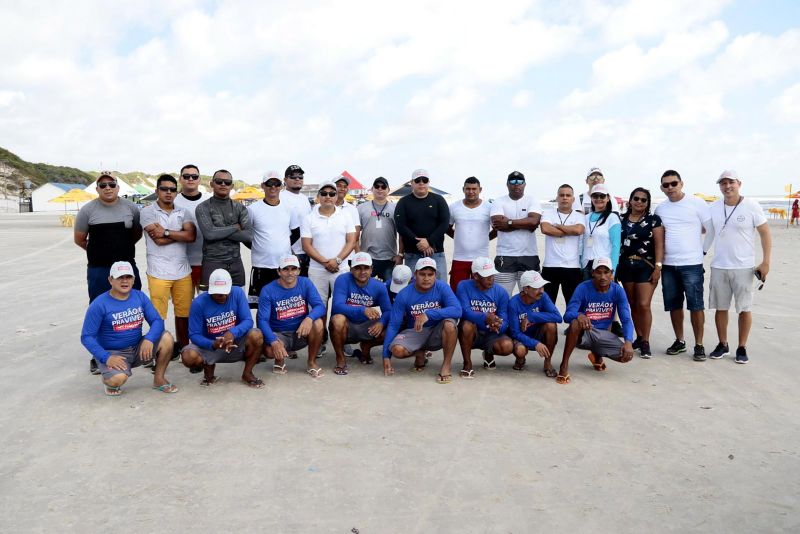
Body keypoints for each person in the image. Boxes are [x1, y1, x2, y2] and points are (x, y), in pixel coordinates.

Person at [74, 172, 143, 375]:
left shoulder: (131, 208)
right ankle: (98, 356)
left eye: (111, 184)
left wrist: (120, 251)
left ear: (118, 187)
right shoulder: (87, 211)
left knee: (133, 308)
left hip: (127, 269)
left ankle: (136, 350)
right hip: (99, 269)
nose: (107, 188)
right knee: (99, 309)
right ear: (97, 189)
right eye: (102, 185)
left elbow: (136, 234)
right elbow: (80, 239)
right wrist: (99, 252)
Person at [80, 261, 177, 396]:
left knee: (166, 338)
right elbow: (86, 337)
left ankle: (159, 379)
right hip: (114, 352)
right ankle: (108, 379)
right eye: (120, 277)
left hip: (138, 347)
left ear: (133, 280)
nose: (124, 281)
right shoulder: (99, 304)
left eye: (128, 277)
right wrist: (106, 357)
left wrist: (149, 339)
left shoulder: (139, 296)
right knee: (117, 380)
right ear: (110, 280)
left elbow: (157, 321)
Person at [705, 170, 772, 364]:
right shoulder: (714, 207)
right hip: (719, 265)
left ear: (739, 183)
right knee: (720, 307)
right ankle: (722, 343)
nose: (727, 186)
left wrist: (766, 261)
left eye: (731, 182)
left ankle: (742, 347)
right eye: (723, 183)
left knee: (744, 308)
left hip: (744, 266)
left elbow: (765, 233)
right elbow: (705, 230)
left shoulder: (751, 205)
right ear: (719, 186)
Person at [654, 170, 713, 360]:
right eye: (666, 185)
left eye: (673, 183)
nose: (670, 188)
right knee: (674, 305)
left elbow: (711, 230)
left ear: (681, 183)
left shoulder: (697, 203)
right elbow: (658, 236)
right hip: (669, 265)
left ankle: (699, 344)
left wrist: (702, 252)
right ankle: (679, 341)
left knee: (696, 305)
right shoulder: (660, 209)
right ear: (662, 188)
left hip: (692, 264)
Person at [139, 174, 197, 355]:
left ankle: (184, 347)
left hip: (182, 271)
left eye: (172, 189)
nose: (169, 193)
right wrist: (179, 233)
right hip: (158, 272)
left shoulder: (184, 212)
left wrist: (164, 231)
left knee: (184, 313)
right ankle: (161, 350)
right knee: (158, 316)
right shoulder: (148, 212)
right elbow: (158, 241)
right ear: (157, 191)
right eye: (164, 189)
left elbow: (191, 236)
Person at [180, 269, 265, 388]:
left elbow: (248, 321)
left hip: (235, 342)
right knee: (188, 356)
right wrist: (213, 344)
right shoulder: (198, 303)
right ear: (209, 290)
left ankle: (247, 373)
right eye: (217, 293)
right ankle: (208, 371)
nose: (222, 296)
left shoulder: (238, 293)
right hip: (210, 345)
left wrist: (232, 333)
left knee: (257, 335)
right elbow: (194, 334)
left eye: (225, 292)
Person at [383, 257, 462, 383]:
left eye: (430, 274)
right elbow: (393, 324)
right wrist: (386, 356)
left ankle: (446, 366)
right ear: (415, 275)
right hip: (415, 331)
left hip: (437, 331)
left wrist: (429, 314)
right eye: (422, 274)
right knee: (397, 350)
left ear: (435, 275)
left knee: (450, 324)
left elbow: (457, 310)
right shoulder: (404, 293)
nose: (426, 278)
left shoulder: (442, 287)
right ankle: (419, 353)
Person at [557, 258, 635, 384]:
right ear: (593, 273)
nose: (603, 277)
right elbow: (567, 315)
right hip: (585, 332)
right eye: (599, 272)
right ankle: (564, 364)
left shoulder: (618, 290)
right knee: (575, 323)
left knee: (625, 356)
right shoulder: (583, 288)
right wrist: (579, 315)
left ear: (612, 273)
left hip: (603, 334)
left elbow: (626, 319)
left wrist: (628, 342)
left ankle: (596, 355)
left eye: (606, 272)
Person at [301, 181, 357, 354]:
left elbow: (352, 240)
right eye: (324, 193)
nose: (328, 197)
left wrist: (338, 260)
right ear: (318, 196)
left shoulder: (345, 216)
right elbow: (306, 245)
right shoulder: (309, 217)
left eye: (331, 194)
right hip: (318, 270)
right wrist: (326, 262)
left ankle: (343, 340)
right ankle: (320, 340)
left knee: (342, 307)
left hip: (341, 269)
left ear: (336, 196)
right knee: (319, 307)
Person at [257, 255, 326, 377]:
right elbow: (262, 320)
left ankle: (311, 362)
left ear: (299, 271)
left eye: (293, 269)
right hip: (279, 333)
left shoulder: (305, 283)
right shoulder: (267, 290)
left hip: (300, 331)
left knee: (318, 323)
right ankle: (279, 360)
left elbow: (320, 306)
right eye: (285, 269)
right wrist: (273, 341)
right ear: (279, 271)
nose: (290, 273)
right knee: (269, 351)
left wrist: (309, 318)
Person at [617, 188, 663, 358]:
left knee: (644, 304)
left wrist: (658, 267)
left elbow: (659, 244)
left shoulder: (653, 220)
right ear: (630, 200)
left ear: (648, 203)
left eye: (644, 200)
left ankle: (645, 341)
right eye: (636, 198)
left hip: (646, 265)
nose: (639, 202)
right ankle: (639, 336)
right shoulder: (620, 219)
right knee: (633, 304)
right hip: (625, 266)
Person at [330, 252, 392, 372]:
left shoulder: (379, 286)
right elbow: (337, 306)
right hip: (347, 325)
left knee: (392, 325)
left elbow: (388, 311)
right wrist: (363, 309)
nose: (362, 271)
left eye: (366, 268)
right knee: (337, 319)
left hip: (367, 326)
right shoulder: (342, 279)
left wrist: (381, 323)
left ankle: (366, 347)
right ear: (351, 269)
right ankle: (340, 357)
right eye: (358, 268)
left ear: (371, 269)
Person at [246, 170, 300, 308]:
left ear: (281, 186)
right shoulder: (253, 209)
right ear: (263, 185)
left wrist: (285, 246)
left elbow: (296, 232)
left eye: (277, 184)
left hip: (283, 266)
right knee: (261, 306)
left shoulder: (289, 207)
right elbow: (244, 234)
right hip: (261, 266)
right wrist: (258, 246)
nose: (273, 187)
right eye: (269, 183)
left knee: (283, 305)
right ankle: (262, 330)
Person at [455, 257, 513, 378]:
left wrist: (498, 325)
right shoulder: (463, 286)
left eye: (492, 275)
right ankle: (467, 363)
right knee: (466, 325)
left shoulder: (501, 292)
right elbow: (464, 311)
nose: (491, 279)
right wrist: (485, 317)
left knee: (507, 347)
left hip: (492, 332)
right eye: (487, 276)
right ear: (475, 276)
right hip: (473, 330)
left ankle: (488, 352)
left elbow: (504, 318)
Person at [195, 169, 252, 288]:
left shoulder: (240, 208)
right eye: (219, 181)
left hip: (236, 263)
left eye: (227, 182)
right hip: (212, 262)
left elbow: (247, 236)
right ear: (211, 184)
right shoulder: (203, 207)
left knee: (237, 302)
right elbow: (209, 234)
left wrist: (217, 230)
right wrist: (235, 227)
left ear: (232, 185)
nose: (223, 184)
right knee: (210, 304)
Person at [490, 171, 543, 295]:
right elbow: (498, 224)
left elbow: (534, 221)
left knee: (531, 297)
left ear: (524, 184)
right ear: (507, 184)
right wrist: (526, 224)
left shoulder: (532, 200)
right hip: (505, 255)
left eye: (520, 182)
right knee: (502, 297)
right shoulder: (499, 201)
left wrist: (508, 223)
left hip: (529, 255)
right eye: (513, 181)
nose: (516, 184)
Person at [394, 169, 450, 281]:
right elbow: (401, 226)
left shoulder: (439, 200)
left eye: (424, 180)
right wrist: (419, 242)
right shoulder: (403, 202)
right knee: (414, 288)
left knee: (440, 286)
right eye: (417, 180)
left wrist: (429, 241)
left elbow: (444, 223)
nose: (421, 183)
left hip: (436, 252)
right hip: (412, 253)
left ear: (428, 182)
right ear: (412, 182)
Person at [507, 270, 562, 377]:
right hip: (521, 337)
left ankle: (547, 362)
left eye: (542, 287)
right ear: (525, 289)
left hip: (537, 333)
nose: (541, 291)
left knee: (551, 325)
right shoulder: (513, 303)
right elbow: (514, 333)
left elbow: (557, 317)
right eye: (536, 288)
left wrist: (531, 316)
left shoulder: (543, 296)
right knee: (520, 350)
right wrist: (535, 344)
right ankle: (520, 359)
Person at [447, 177, 494, 292]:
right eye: (468, 189)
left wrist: (485, 238)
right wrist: (458, 236)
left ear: (480, 189)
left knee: (481, 290)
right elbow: (447, 227)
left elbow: (497, 229)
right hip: (459, 257)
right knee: (457, 290)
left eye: (474, 189)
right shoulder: (454, 207)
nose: (471, 192)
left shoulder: (489, 207)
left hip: (482, 258)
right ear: (463, 189)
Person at [540, 184, 585, 305]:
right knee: (547, 305)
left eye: (568, 195)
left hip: (572, 267)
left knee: (573, 306)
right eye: (562, 195)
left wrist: (558, 226)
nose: (565, 198)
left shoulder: (579, 216)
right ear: (557, 198)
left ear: (573, 199)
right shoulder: (548, 213)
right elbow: (545, 229)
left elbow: (578, 231)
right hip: (550, 266)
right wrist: (568, 231)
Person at [173, 164, 211, 294]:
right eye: (186, 176)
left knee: (205, 303)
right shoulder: (173, 201)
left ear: (199, 180)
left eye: (194, 176)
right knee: (184, 308)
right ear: (180, 179)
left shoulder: (209, 201)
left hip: (206, 262)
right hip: (181, 263)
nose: (190, 179)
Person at [357, 177, 403, 282]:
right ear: (372, 189)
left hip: (389, 258)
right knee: (366, 291)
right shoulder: (361, 208)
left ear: (388, 190)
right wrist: (358, 253)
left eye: (383, 187)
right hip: (367, 257)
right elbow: (355, 234)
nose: (380, 189)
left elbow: (401, 233)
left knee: (388, 291)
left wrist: (400, 254)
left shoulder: (395, 209)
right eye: (377, 186)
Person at [581, 183, 621, 278]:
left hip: (603, 266)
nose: (598, 198)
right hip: (586, 265)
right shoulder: (585, 218)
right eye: (595, 195)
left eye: (602, 196)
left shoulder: (612, 218)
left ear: (608, 198)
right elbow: (581, 243)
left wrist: (613, 271)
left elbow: (616, 245)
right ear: (591, 198)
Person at [280, 164, 313, 276]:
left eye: (300, 177)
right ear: (285, 180)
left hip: (308, 251)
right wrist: (290, 252)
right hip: (291, 253)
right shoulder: (280, 198)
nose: (297, 179)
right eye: (293, 176)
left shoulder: (304, 199)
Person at [334, 174, 362, 258]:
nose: (342, 189)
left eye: (345, 186)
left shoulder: (352, 209)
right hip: (328, 256)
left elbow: (356, 235)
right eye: (339, 186)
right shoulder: (322, 208)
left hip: (349, 256)